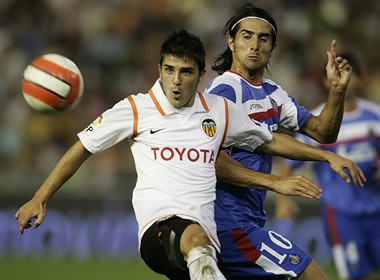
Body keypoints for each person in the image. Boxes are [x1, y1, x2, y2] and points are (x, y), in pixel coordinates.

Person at [15, 29, 364, 280]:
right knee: (194, 238)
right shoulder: (137, 108)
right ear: (159, 71)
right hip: (160, 230)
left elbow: (269, 140)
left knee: (201, 246)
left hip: (206, 245)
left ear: (200, 76)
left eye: (185, 72)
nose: (176, 81)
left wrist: (326, 156)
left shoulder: (219, 110)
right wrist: (40, 197)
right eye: (169, 70)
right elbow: (82, 148)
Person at [205, 3, 354, 279]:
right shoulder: (224, 92)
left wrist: (336, 90)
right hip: (228, 224)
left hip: (249, 220)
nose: (255, 45)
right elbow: (212, 161)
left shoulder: (273, 93)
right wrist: (277, 182)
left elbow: (323, 132)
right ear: (231, 42)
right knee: (311, 273)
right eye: (246, 36)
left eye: (263, 38)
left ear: (273, 46)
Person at [279, 53, 380, 280]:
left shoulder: (375, 116)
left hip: (376, 211)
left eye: (350, 73)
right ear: (326, 80)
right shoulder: (319, 121)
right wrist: (284, 201)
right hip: (342, 214)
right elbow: (289, 158)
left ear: (360, 78)